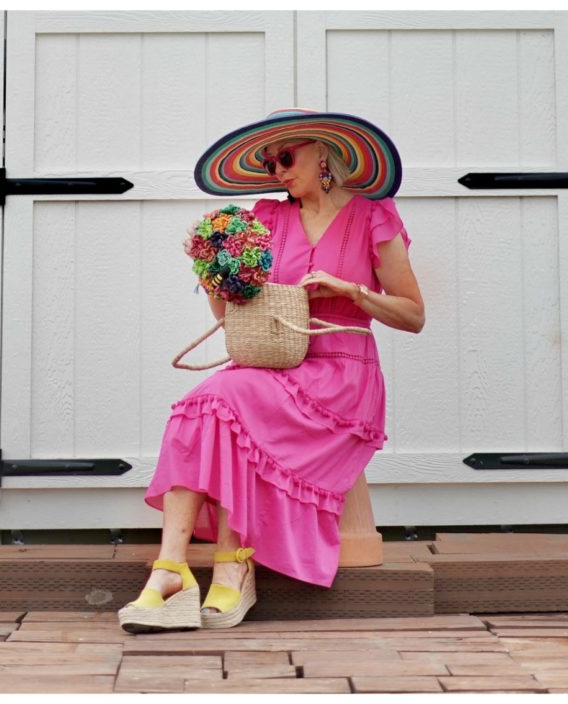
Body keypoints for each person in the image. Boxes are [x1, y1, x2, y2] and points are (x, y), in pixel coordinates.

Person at [117, 108, 425, 633]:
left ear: (322, 152)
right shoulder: (264, 218)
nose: (277, 170)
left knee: (225, 399)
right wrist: (215, 274)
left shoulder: (375, 217)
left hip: (343, 374)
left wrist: (352, 291)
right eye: (268, 162)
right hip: (274, 363)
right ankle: (172, 571)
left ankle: (230, 570)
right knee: (201, 405)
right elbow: (232, 317)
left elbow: (414, 315)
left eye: (286, 157)